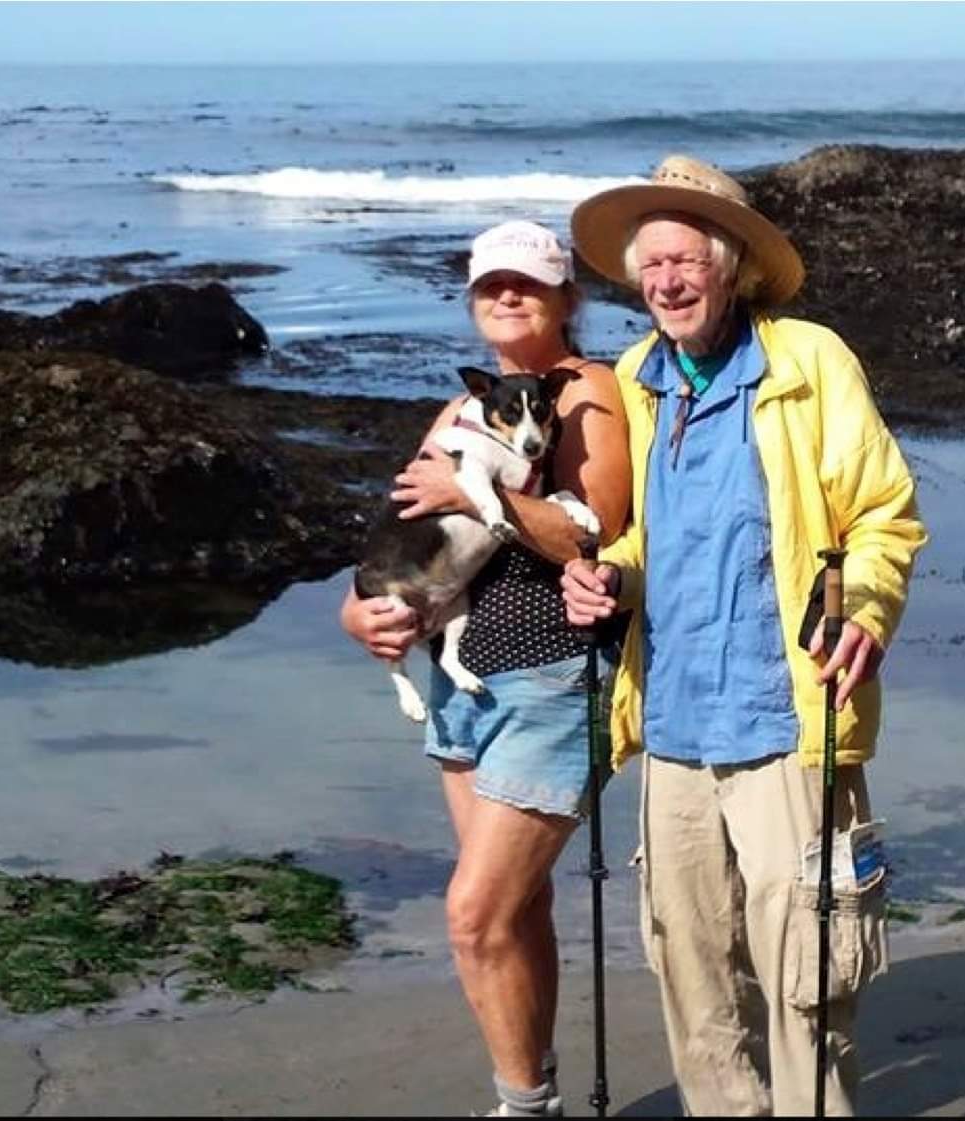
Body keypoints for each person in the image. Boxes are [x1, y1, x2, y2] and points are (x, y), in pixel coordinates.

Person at [559, 155, 926, 1117]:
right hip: (671, 723)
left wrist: (871, 616)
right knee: (689, 965)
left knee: (809, 966)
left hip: (789, 717)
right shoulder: (635, 380)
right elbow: (639, 536)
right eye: (652, 267)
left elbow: (883, 514)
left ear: (732, 267)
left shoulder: (809, 363)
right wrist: (607, 578)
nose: (668, 282)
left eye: (686, 259)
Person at [339, 219, 629, 1118]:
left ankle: (523, 1109)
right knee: (516, 910)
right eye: (490, 286)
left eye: (529, 285)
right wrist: (357, 614)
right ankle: (532, 1088)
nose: (507, 298)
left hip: (551, 675)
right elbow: (399, 531)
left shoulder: (591, 392)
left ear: (566, 299)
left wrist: (481, 491)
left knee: (474, 915)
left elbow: (597, 527)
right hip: (461, 674)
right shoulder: (460, 410)